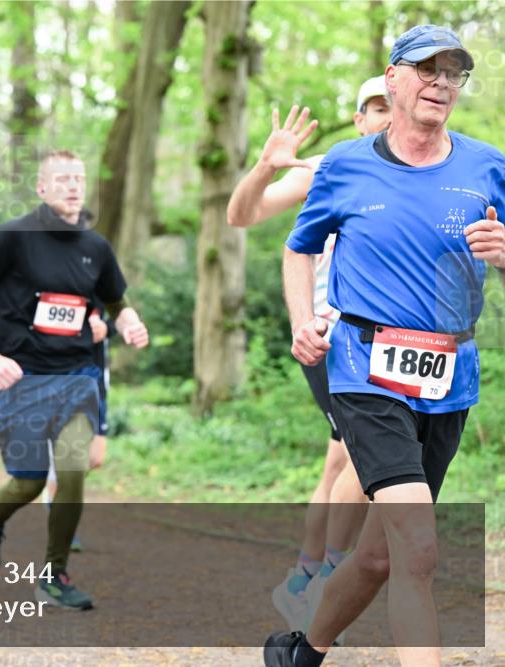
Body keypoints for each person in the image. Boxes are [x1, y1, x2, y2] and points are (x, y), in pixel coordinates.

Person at [264, 25, 504, 667]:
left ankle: (300, 649)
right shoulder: (346, 163)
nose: (441, 83)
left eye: (453, 73)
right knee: (418, 549)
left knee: (378, 554)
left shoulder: (488, 166)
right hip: (364, 370)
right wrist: (300, 320)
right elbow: (298, 247)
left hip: (449, 373)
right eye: (428, 69)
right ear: (393, 78)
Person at [227, 76, 391, 632]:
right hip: (330, 336)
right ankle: (325, 582)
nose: (387, 117)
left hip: (395, 342)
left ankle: (303, 575)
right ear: (360, 118)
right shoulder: (332, 166)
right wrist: (266, 168)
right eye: (374, 109)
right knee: (363, 457)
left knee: (338, 462)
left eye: (394, 107)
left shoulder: (430, 169)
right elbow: (242, 216)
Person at [0, 149, 149, 610]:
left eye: (78, 178)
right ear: (41, 188)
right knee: (25, 482)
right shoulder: (14, 238)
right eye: (61, 179)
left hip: (77, 379)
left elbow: (117, 303)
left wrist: (129, 323)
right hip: (21, 380)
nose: (72, 186)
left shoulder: (95, 248)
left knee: (72, 470)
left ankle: (54, 574)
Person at [44, 302, 113, 552]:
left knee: (93, 458)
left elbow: (122, 321)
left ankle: (55, 498)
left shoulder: (100, 288)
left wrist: (106, 327)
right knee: (62, 458)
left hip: (91, 385)